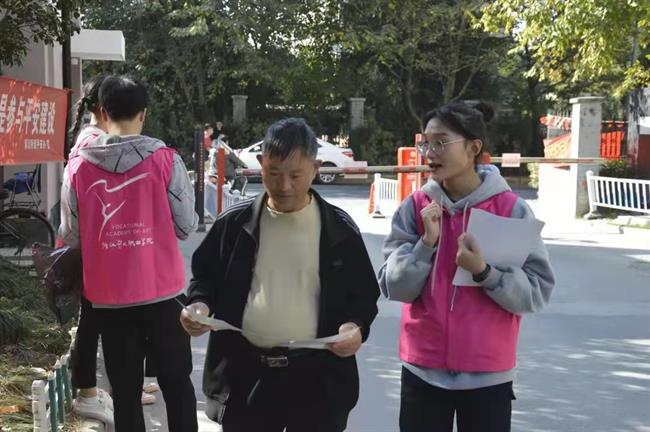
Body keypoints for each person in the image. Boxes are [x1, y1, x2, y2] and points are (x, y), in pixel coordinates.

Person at [181, 117, 380, 432]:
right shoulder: (234, 224)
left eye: (296, 175)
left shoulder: (338, 229)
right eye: (274, 173)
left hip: (317, 381)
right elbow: (205, 278)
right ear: (261, 164)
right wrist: (199, 307)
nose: (284, 186)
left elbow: (363, 296)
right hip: (246, 377)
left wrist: (355, 327)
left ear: (315, 168)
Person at [378, 101, 555, 432]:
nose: (430, 153)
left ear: (474, 148)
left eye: (441, 142)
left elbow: (535, 293)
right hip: (422, 369)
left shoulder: (511, 210)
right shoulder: (416, 208)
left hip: (488, 375)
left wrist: (485, 273)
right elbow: (395, 288)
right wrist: (426, 245)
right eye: (426, 143)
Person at [59, 75, 199, 431]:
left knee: (125, 394)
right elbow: (186, 226)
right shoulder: (166, 161)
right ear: (144, 114)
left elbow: (71, 235)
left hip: (110, 300)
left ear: (103, 112)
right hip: (164, 294)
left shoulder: (77, 167)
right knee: (177, 386)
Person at [64, 73, 114, 425]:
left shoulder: (88, 138)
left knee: (92, 321)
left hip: (87, 245)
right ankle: (87, 393)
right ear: (105, 108)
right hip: (93, 248)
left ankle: (91, 390)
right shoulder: (97, 144)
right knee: (92, 323)